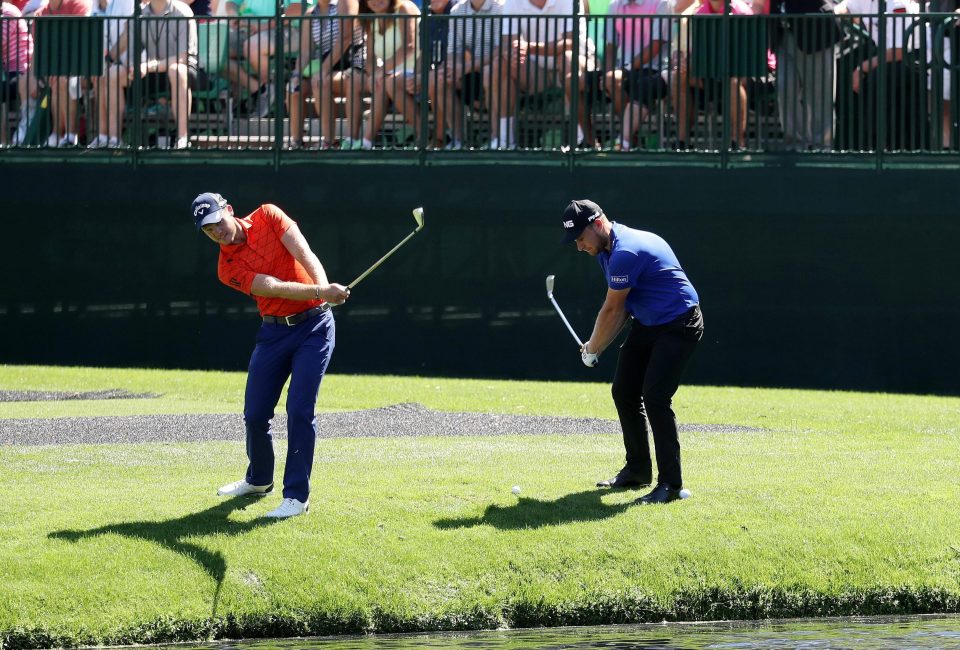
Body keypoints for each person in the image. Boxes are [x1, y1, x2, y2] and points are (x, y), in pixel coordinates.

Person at [192, 192, 350, 519]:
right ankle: (259, 479)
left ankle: (296, 497)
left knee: (300, 409)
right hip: (274, 332)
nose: (216, 232)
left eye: (217, 222)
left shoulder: (269, 215)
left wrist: (324, 293)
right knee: (255, 413)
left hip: (314, 328)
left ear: (229, 210)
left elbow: (304, 252)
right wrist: (323, 292)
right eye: (208, 231)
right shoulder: (227, 268)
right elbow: (274, 287)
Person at [561, 199, 703, 505]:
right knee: (624, 391)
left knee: (655, 397)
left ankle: (671, 485)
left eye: (580, 239)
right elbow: (622, 309)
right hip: (648, 322)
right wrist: (595, 348)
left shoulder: (626, 252)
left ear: (598, 224)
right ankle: (638, 470)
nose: (579, 247)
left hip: (680, 323)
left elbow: (611, 310)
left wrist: (592, 349)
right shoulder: (605, 251)